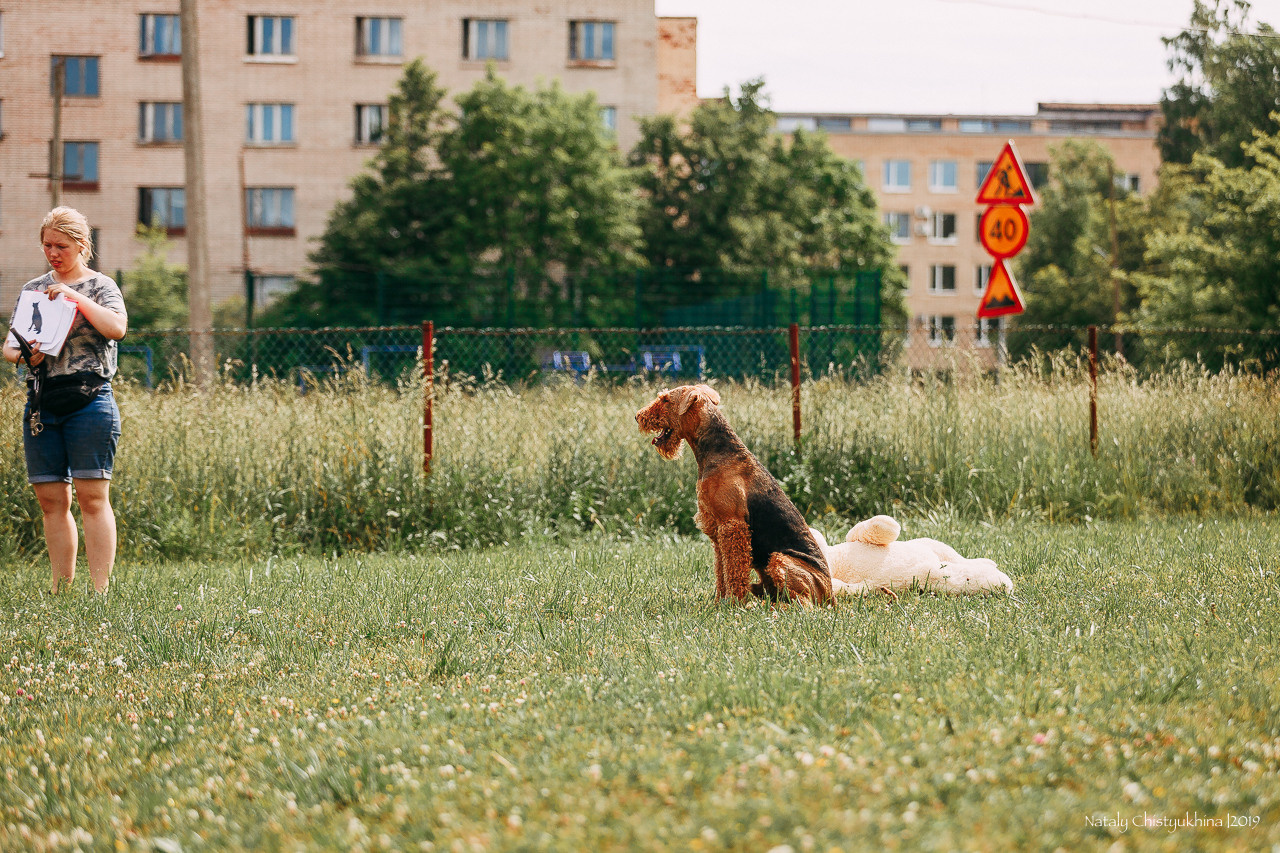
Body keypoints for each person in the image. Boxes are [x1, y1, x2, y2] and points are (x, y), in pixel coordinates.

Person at [3, 207, 127, 594]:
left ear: (82, 245)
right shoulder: (33, 289)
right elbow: (9, 347)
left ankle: (100, 591)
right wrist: (27, 354)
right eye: (47, 246)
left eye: (61, 246)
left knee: (92, 497)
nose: (53, 253)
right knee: (50, 499)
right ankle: (62, 589)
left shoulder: (101, 286)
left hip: (91, 400)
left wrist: (74, 297)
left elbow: (117, 328)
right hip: (42, 402)